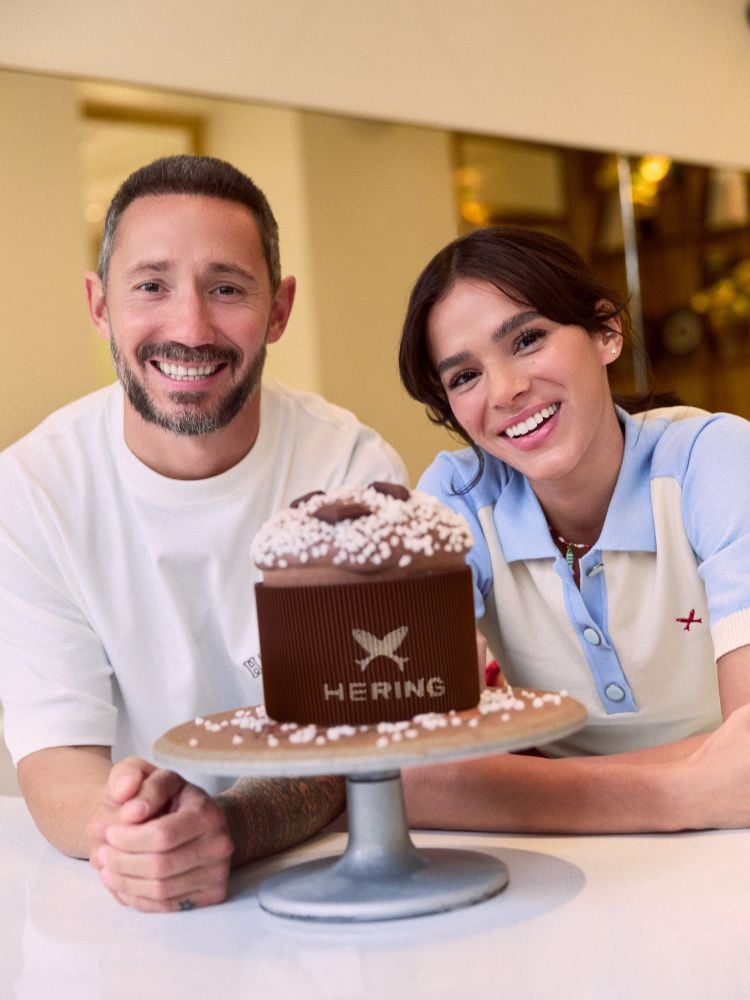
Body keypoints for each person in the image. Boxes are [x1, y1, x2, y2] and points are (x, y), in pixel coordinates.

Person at [0, 154, 407, 911]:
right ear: (99, 306)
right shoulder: (30, 492)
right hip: (130, 895)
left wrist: (226, 827)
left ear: (279, 309)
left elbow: (359, 738)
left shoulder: (348, 465)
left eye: (226, 289)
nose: (189, 328)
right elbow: (57, 763)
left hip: (327, 881)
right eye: (151, 286)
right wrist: (136, 831)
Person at [398, 225, 750, 834]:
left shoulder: (713, 459)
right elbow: (409, 776)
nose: (506, 390)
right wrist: (683, 792)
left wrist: (510, 793)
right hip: (575, 864)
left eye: (528, 339)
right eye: (464, 377)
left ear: (605, 331)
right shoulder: (457, 499)